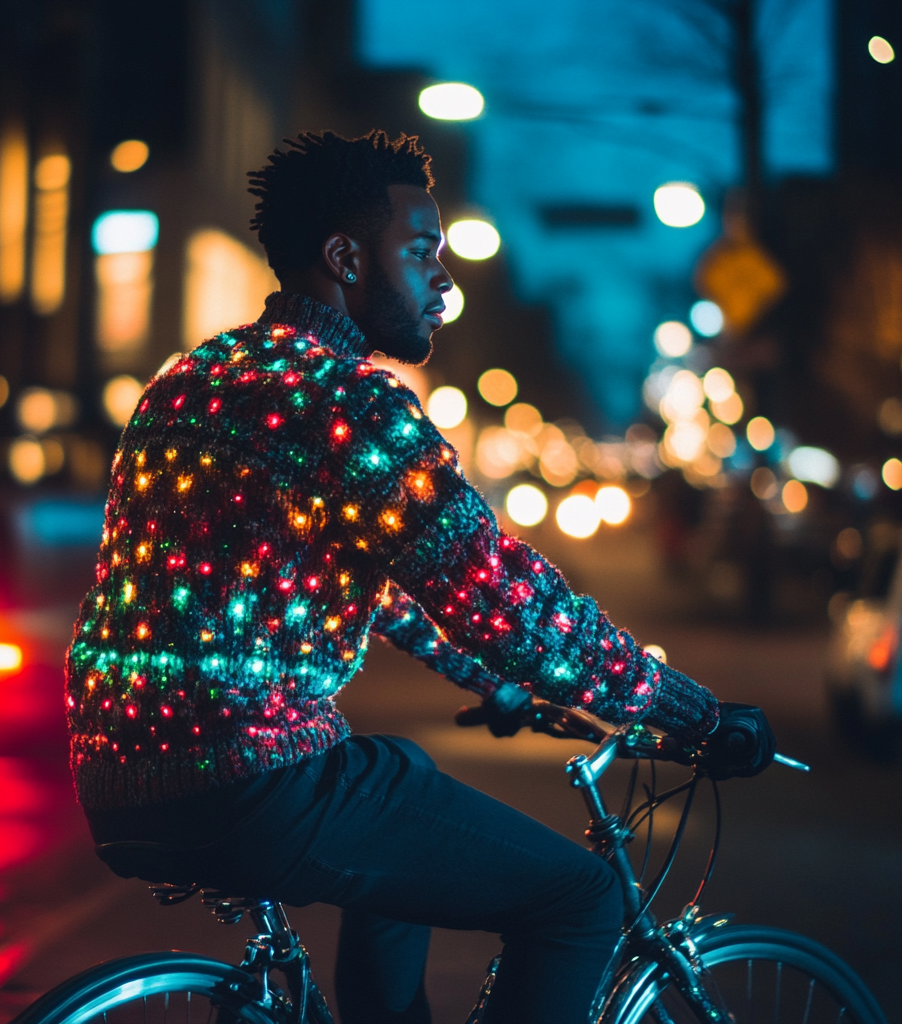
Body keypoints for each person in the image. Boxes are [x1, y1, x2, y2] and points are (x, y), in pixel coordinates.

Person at [66, 130, 775, 1024]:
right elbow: (503, 604)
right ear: (344, 258)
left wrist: (500, 691)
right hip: (254, 777)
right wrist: (690, 714)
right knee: (579, 900)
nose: (446, 280)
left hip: (120, 777)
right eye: (421, 251)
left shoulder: (192, 379)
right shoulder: (348, 405)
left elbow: (391, 593)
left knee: (400, 780)